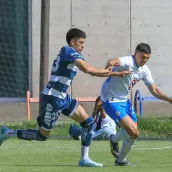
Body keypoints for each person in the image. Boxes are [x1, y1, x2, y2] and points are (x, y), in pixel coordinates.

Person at [0, 28, 132, 167]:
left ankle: (84, 159)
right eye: (81, 42)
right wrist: (114, 74)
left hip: (63, 97)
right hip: (52, 98)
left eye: (83, 43)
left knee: (87, 122)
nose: (83, 45)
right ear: (72, 41)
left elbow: (89, 67)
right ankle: (8, 132)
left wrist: (111, 73)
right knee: (42, 135)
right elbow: (88, 70)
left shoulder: (72, 54)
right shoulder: (69, 51)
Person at [101, 43, 172, 166]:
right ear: (135, 54)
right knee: (133, 132)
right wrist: (110, 65)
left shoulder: (145, 70)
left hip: (124, 101)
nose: (145, 60)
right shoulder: (127, 61)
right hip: (110, 100)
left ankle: (118, 155)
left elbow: (154, 90)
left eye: (147, 58)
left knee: (133, 133)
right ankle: (116, 148)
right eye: (143, 57)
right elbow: (113, 60)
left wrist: (168, 99)